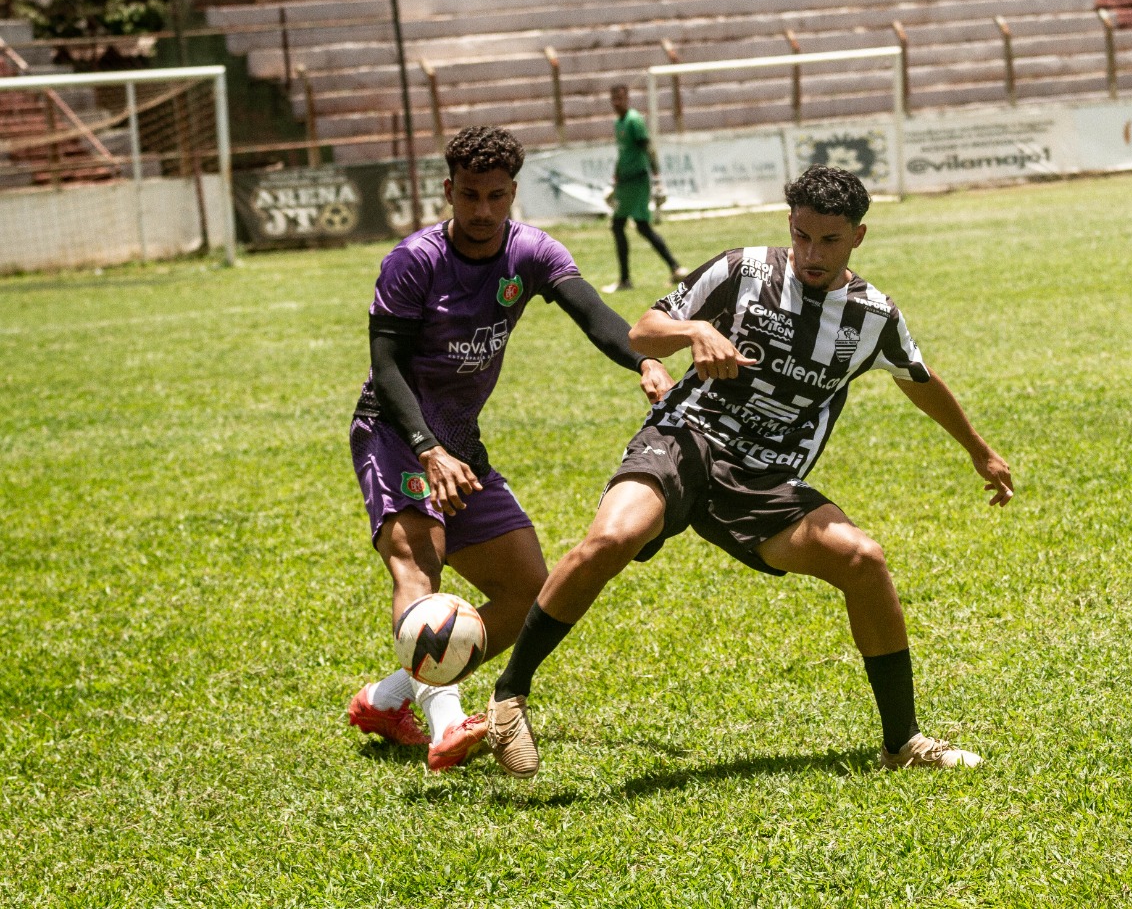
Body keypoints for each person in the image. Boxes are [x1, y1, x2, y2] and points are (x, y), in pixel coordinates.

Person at [484, 164, 1014, 778]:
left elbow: (918, 381)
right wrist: (694, 329)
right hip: (684, 437)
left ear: (859, 237)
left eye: (830, 241)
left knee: (863, 561)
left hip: (764, 478)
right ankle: (509, 695)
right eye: (802, 236)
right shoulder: (740, 271)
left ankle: (903, 743)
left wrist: (979, 450)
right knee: (614, 537)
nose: (812, 254)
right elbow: (643, 333)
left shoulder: (873, 316)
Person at [346, 125, 673, 772]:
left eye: (496, 196)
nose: (483, 211)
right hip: (396, 434)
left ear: (513, 194)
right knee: (421, 568)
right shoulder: (413, 261)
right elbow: (385, 367)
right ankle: (445, 721)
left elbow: (596, 315)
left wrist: (642, 362)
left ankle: (387, 699)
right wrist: (428, 450)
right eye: (470, 195)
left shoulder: (531, 253)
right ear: (449, 191)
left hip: (463, 446)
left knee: (530, 589)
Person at [604, 83, 688, 293]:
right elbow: (623, 153)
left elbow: (647, 148)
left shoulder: (633, 120)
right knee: (641, 227)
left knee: (619, 225)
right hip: (626, 182)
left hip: (637, 181)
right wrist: (615, 178)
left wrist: (657, 177)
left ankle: (625, 280)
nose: (616, 103)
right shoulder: (618, 123)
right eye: (613, 99)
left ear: (627, 98)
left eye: (620, 98)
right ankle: (675, 268)